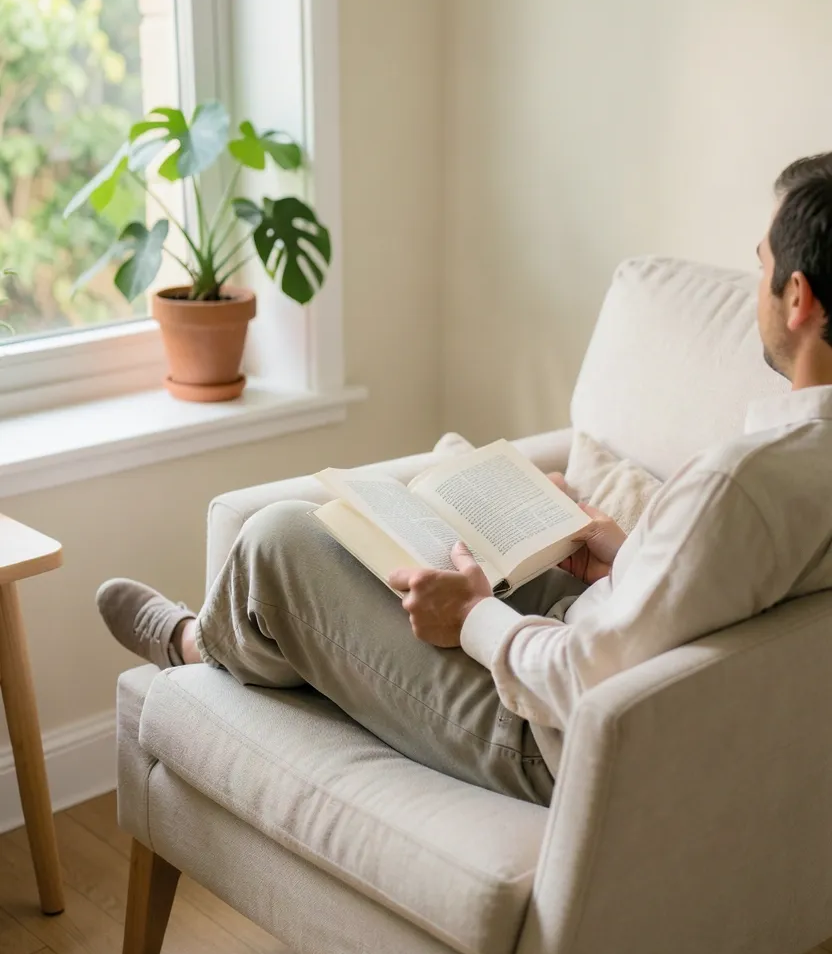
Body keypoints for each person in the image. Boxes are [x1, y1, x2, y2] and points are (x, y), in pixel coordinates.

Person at [97, 153, 832, 808]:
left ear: (798, 298)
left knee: (280, 537)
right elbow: (718, 598)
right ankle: (262, 643)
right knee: (381, 543)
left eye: (761, 266)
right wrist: (625, 552)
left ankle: (196, 644)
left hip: (549, 733)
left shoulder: (740, 482)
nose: (755, 288)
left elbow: (585, 681)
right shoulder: (787, 470)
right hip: (597, 638)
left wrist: (473, 616)